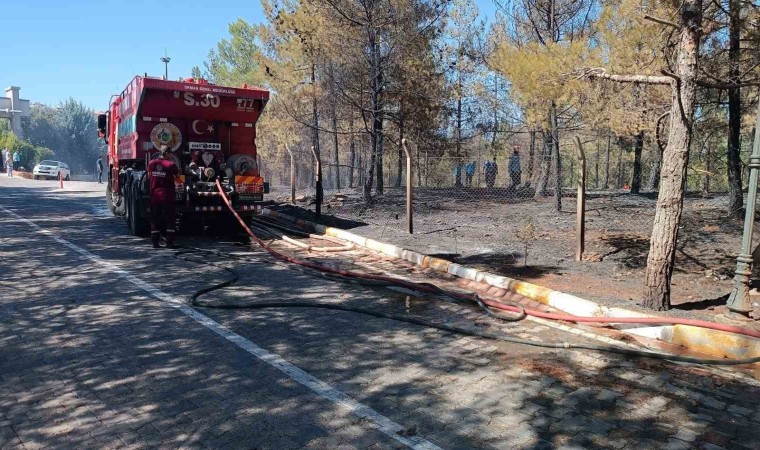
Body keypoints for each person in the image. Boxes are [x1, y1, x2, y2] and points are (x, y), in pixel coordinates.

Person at [147, 145, 179, 248]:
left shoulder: (151, 163)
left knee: (155, 219)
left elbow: (149, 176)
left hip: (155, 196)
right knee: (170, 219)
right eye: (171, 154)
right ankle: (169, 242)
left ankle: (155, 242)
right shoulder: (171, 165)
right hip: (167, 196)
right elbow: (178, 177)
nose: (171, 156)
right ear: (167, 153)